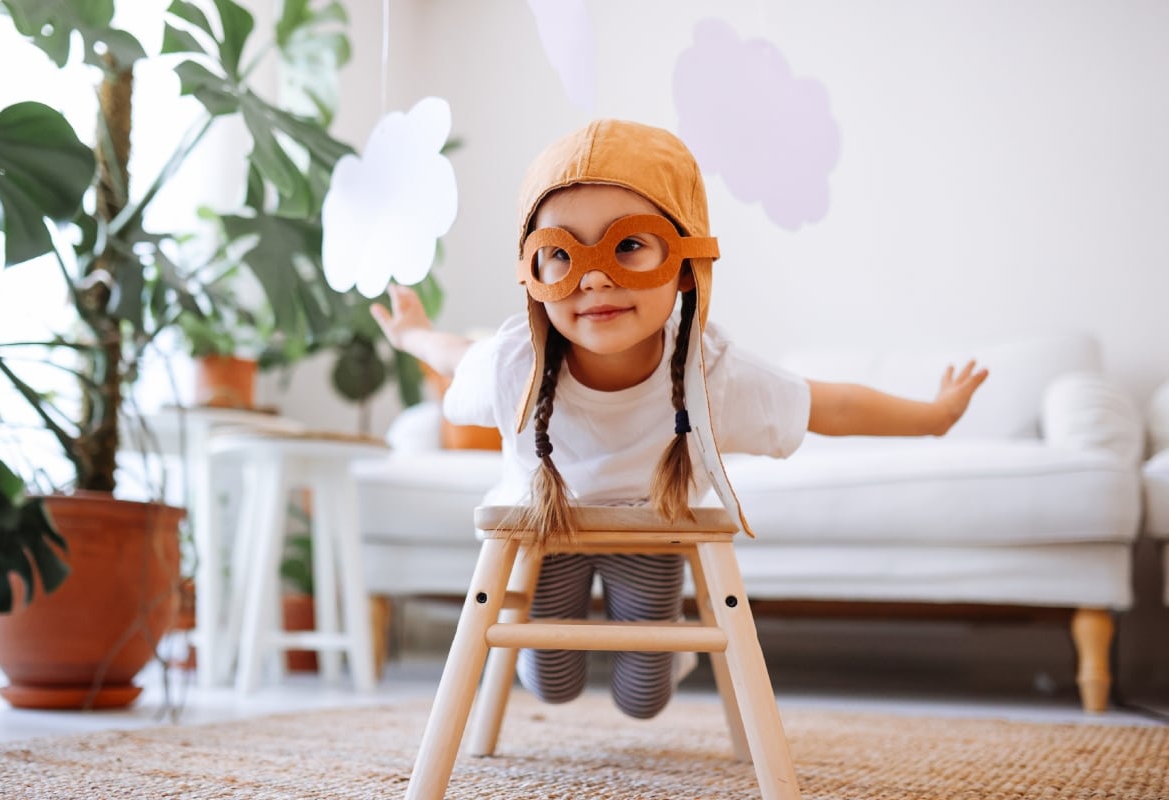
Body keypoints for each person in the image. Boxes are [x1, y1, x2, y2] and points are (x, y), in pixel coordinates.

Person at [371, 119, 988, 720]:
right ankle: (582, 655)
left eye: (628, 245)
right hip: (547, 530)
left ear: (687, 263)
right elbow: (455, 355)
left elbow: (827, 404)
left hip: (651, 532)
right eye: (561, 253)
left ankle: (665, 649)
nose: (594, 277)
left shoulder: (713, 373)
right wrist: (413, 334)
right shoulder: (515, 362)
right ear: (533, 275)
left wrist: (932, 417)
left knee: (645, 700)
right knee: (550, 684)